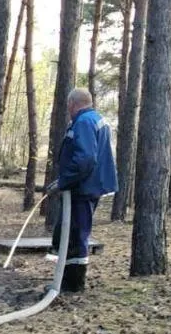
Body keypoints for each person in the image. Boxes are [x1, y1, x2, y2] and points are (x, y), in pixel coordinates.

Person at [47, 87, 118, 292]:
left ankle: (73, 284)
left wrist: (64, 181)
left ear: (72, 103)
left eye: (68, 105)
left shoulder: (84, 122)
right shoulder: (94, 119)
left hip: (83, 188)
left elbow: (85, 158)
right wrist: (62, 180)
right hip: (84, 186)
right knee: (71, 232)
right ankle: (66, 281)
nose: (68, 109)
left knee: (77, 234)